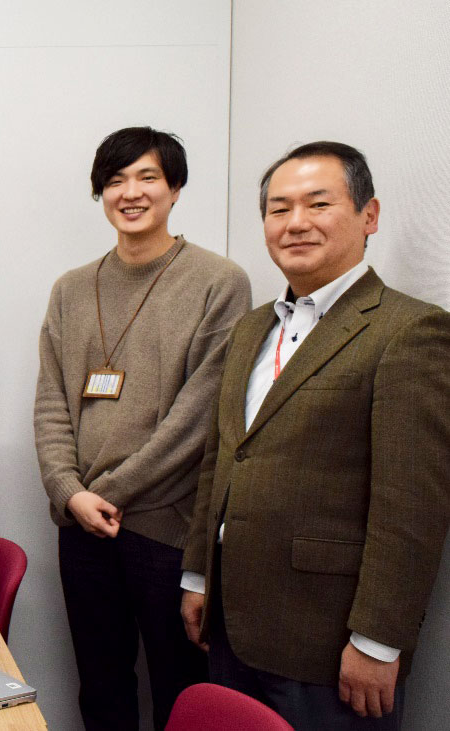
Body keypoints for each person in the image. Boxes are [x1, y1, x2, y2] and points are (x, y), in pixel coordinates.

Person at [180, 141, 450, 728]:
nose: (295, 223)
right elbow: (222, 460)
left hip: (327, 643)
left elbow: (412, 507)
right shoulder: (253, 328)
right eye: (278, 209)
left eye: (318, 204)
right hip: (233, 624)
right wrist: (199, 575)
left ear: (368, 215)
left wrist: (379, 642)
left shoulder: (410, 331)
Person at [33, 127, 250, 729]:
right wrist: (69, 493)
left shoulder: (218, 281)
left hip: (167, 527)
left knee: (181, 690)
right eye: (115, 180)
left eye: (147, 177)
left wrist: (107, 493)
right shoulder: (71, 289)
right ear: (101, 193)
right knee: (99, 687)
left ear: (175, 188)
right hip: (82, 526)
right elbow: (51, 401)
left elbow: (199, 417)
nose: (130, 193)